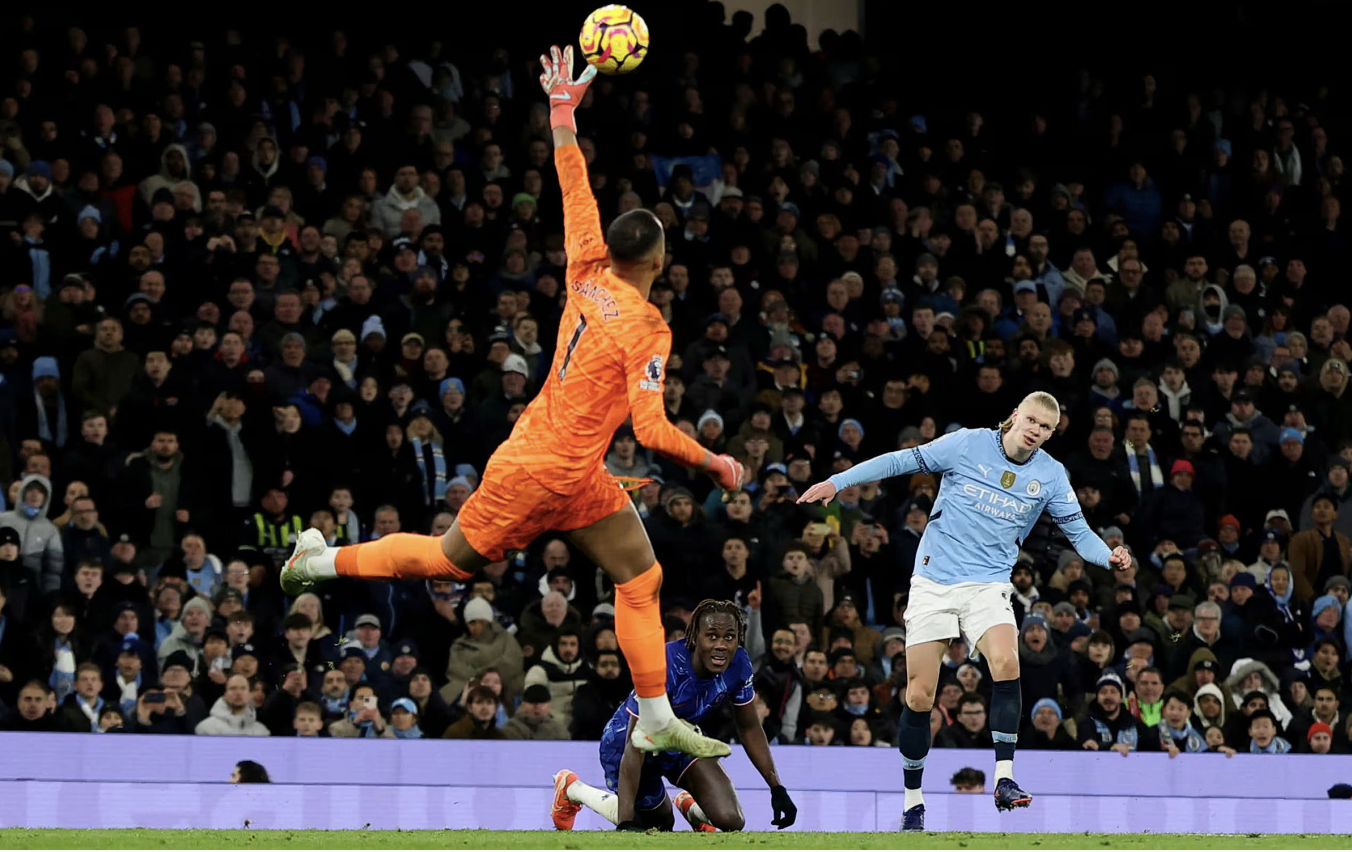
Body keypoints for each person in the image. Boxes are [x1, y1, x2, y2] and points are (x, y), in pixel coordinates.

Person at [277, 45, 740, 762]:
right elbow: (649, 428)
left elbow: (572, 186)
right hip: (537, 471)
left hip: (568, 466)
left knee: (642, 576)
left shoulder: (587, 266)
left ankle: (654, 716)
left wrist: (561, 112)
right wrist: (717, 462)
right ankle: (317, 559)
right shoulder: (648, 325)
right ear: (658, 259)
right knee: (444, 562)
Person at [798, 391, 1132, 829]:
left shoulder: (1051, 475)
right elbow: (899, 461)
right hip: (934, 581)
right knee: (920, 695)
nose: (1035, 430)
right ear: (1015, 415)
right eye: (1031, 419)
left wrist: (1108, 555)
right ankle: (912, 802)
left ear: (1051, 434)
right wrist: (839, 481)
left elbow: (1080, 533)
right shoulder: (967, 444)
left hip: (988, 584)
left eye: (1045, 428)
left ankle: (1005, 778)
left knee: (1007, 661)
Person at [550, 600, 797, 833]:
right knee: (659, 825)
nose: (721, 644)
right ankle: (573, 788)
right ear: (694, 637)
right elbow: (634, 744)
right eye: (712, 636)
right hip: (627, 743)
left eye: (729, 637)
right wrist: (625, 822)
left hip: (680, 736)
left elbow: (750, 728)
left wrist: (777, 787)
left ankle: (691, 808)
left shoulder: (740, 664)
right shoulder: (662, 664)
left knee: (732, 821)